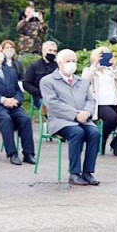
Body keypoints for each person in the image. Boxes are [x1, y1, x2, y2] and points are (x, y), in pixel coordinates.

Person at [42, 48, 101, 185]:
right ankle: (74, 173)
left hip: (83, 119)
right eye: (68, 61)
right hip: (60, 121)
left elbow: (90, 100)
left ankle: (87, 172)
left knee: (94, 133)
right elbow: (53, 104)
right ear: (59, 63)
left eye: (74, 61)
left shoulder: (81, 81)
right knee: (77, 132)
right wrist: (75, 115)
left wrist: (86, 113)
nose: (71, 63)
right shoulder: (48, 81)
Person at [82, 46, 117, 156]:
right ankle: (102, 139)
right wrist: (95, 66)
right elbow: (84, 80)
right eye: (101, 55)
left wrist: (115, 68)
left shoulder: (110, 70)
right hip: (100, 103)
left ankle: (115, 142)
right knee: (112, 118)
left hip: (115, 100)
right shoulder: (89, 70)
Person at [23, 40, 59, 110]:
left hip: (57, 97)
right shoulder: (34, 66)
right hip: (40, 98)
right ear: (43, 50)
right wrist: (39, 92)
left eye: (54, 51)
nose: (52, 53)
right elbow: (26, 83)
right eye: (50, 50)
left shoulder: (58, 67)